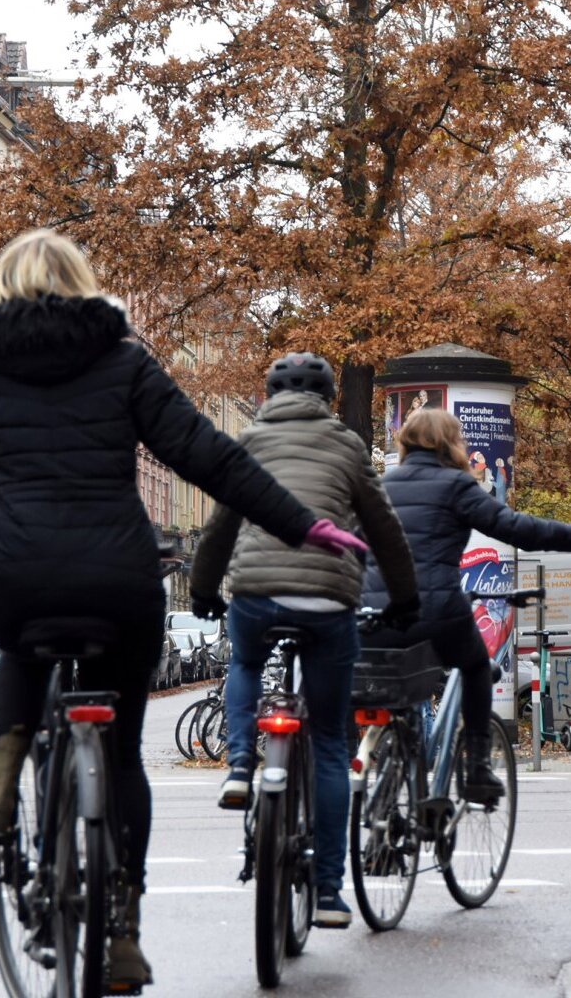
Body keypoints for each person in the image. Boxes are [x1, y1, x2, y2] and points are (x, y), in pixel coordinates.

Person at [0, 228, 361, 991]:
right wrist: (303, 523)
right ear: (85, 284)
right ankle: (122, 928)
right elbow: (209, 455)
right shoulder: (122, 361)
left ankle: (0, 777)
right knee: (121, 755)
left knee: (21, 650)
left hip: (18, 571)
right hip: (119, 579)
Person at [187, 352, 420, 932]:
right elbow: (384, 527)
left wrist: (203, 590)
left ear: (267, 395)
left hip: (257, 592)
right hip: (327, 600)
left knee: (245, 660)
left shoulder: (248, 441)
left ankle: (240, 763)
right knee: (331, 747)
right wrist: (404, 597)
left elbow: (220, 525)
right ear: (329, 397)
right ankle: (329, 895)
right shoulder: (346, 446)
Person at [363, 407, 571, 801]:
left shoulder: (381, 486)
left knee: (400, 684)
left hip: (377, 612)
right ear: (452, 444)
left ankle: (386, 768)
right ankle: (475, 769)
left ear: (404, 443)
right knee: (476, 668)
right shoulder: (455, 486)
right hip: (436, 609)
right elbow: (518, 528)